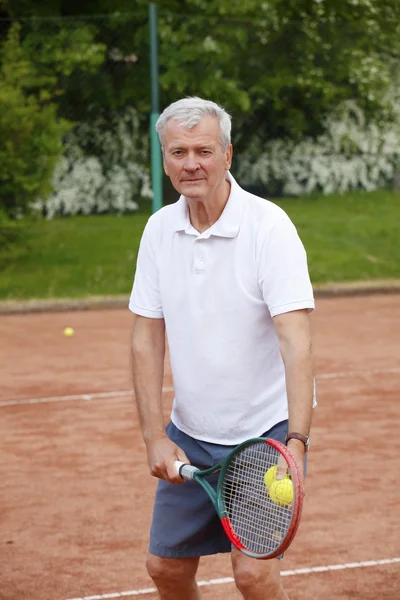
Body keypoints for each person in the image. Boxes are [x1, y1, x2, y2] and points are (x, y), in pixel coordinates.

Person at [130, 96, 315, 600]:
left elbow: (295, 340)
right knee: (164, 569)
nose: (191, 163)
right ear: (164, 159)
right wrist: (153, 435)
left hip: (264, 434)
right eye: (178, 152)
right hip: (191, 432)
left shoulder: (269, 227)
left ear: (228, 155)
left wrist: (295, 441)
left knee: (253, 576)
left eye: (204, 151)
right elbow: (146, 337)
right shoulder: (158, 231)